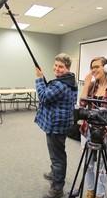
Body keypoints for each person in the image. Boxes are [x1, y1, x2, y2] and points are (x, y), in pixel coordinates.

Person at [34, 53, 78, 198]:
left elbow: (44, 97)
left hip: (56, 126)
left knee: (57, 156)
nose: (57, 69)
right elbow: (52, 95)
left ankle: (57, 188)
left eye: (61, 67)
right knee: (56, 153)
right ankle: (55, 173)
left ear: (67, 68)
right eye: (56, 65)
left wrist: (40, 79)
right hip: (62, 124)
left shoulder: (61, 84)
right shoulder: (70, 80)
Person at [79, 57, 107, 198]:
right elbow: (82, 105)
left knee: (102, 165)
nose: (94, 70)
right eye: (92, 67)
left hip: (104, 132)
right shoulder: (91, 86)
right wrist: (86, 85)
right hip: (87, 129)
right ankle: (90, 191)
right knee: (88, 163)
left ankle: (100, 194)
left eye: (97, 66)